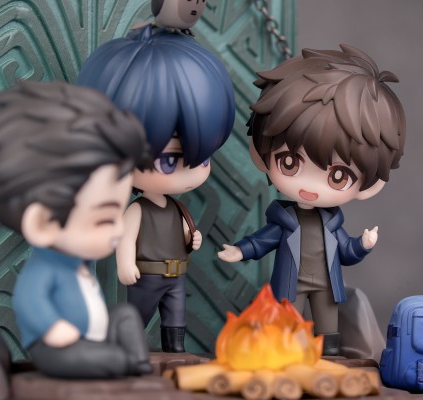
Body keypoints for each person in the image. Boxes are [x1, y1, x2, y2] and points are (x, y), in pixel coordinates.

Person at [218, 44, 406, 356]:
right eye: (290, 163)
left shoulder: (332, 224)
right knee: (286, 326)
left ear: (370, 184)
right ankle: (284, 356)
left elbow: (346, 252)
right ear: (262, 155)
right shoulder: (284, 220)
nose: (309, 186)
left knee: (327, 329)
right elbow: (264, 240)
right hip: (290, 284)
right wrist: (241, 250)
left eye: (338, 176)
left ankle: (329, 358)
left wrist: (363, 244)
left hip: (326, 286)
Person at [77, 25, 235, 352]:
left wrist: (192, 239)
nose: (190, 171)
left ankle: (174, 352)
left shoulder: (178, 208)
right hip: (146, 275)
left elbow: (182, 233)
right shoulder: (137, 209)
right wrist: (125, 263)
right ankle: (128, 352)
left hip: (176, 275)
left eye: (203, 157)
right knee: (137, 317)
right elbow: (126, 239)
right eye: (170, 159)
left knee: (175, 320)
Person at [0, 80, 152, 378]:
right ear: (43, 224)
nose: (119, 230)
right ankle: (120, 362)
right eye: (105, 219)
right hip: (59, 349)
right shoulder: (44, 269)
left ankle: (136, 363)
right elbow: (28, 300)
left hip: (95, 336)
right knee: (102, 359)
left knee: (125, 314)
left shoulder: (82, 262)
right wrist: (53, 327)